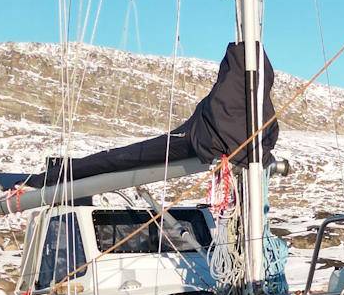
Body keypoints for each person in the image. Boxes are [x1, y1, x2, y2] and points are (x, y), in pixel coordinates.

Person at [16, 41, 278, 190]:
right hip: (208, 138)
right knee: (119, 158)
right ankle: (50, 178)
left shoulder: (238, 117)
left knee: (120, 158)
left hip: (208, 138)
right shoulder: (237, 119)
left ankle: (53, 176)